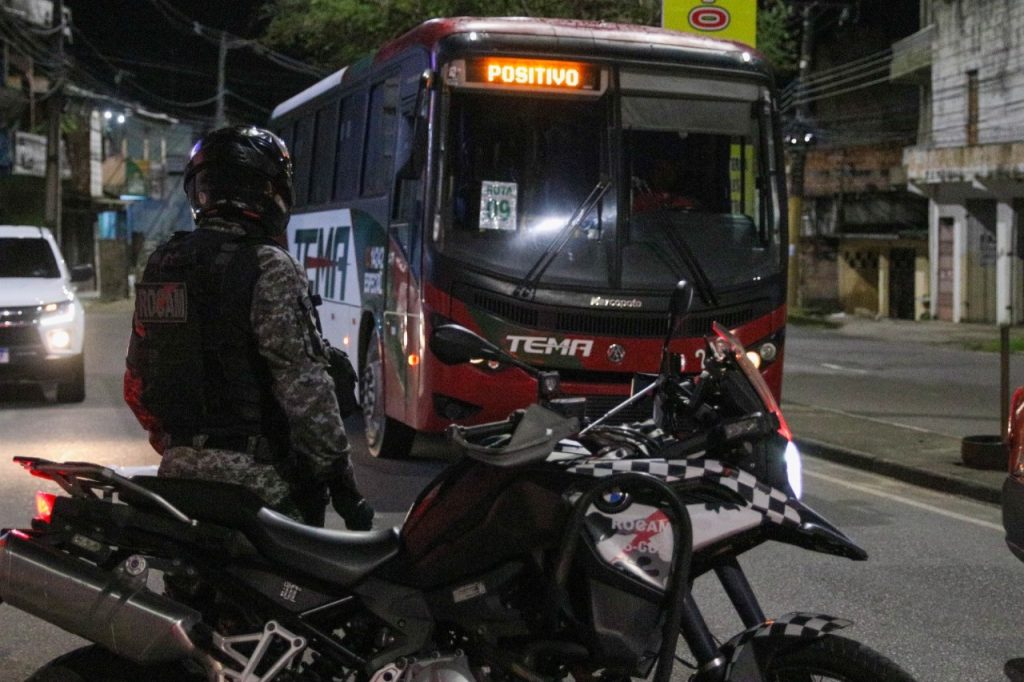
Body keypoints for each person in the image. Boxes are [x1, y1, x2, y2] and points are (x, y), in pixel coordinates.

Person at [123, 125, 373, 530]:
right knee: (307, 591)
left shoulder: (163, 265)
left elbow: (136, 384)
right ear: (270, 191)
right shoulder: (269, 266)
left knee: (186, 591)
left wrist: (185, 449)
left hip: (178, 478)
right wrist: (345, 489)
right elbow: (306, 391)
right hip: (260, 488)